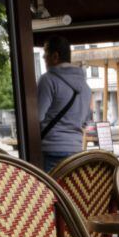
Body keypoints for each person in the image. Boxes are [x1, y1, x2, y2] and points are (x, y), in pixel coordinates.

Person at [36, 36, 92, 173]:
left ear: (55, 56)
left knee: (50, 192)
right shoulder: (85, 86)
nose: (44, 59)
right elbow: (86, 121)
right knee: (68, 192)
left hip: (52, 149)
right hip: (76, 151)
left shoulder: (48, 80)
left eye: (45, 55)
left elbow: (37, 116)